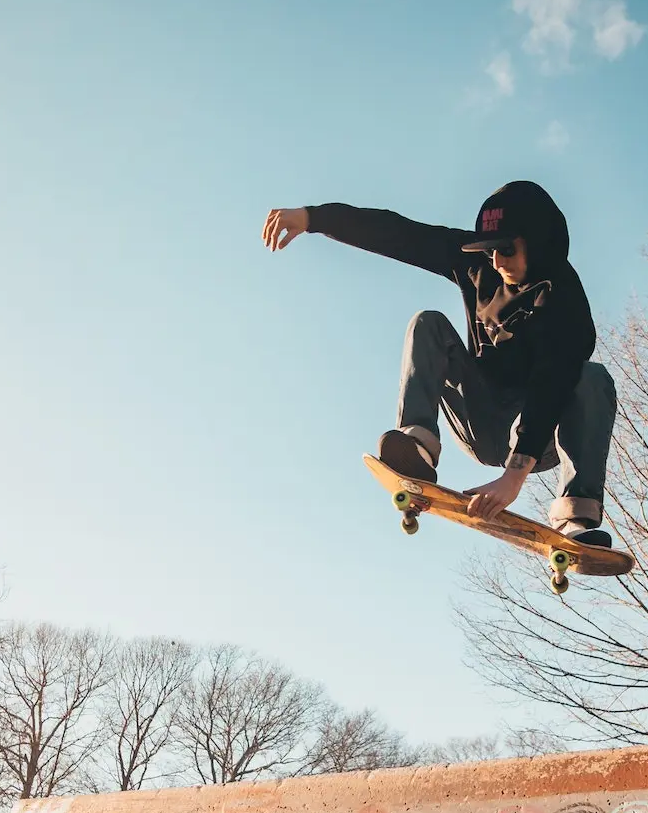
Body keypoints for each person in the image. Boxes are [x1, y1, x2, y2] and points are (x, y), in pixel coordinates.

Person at [261, 181, 616, 546]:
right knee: (428, 323)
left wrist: (514, 476)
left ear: (540, 244)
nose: (496, 261)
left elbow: (552, 385)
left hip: (536, 432)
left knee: (591, 378)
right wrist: (313, 218)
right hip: (479, 417)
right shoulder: (478, 266)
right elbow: (401, 234)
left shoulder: (564, 301)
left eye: (507, 250)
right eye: (490, 250)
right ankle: (419, 446)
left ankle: (576, 518)